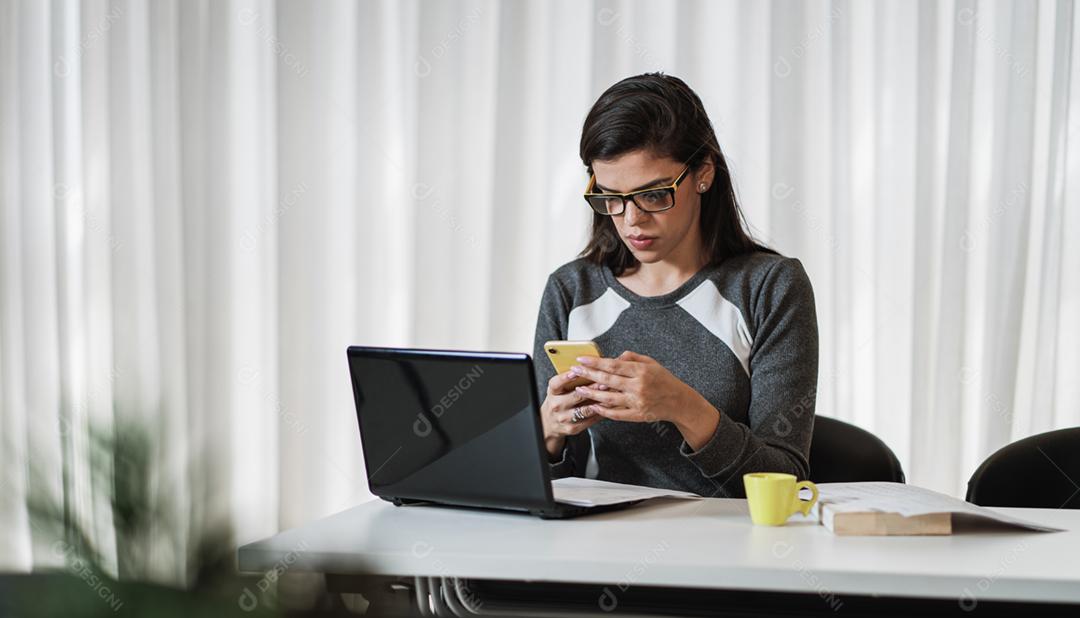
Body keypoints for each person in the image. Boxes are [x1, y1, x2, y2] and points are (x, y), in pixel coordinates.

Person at [532, 72, 818, 497]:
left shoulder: (768, 287)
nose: (631, 221)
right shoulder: (572, 289)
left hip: (728, 550)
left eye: (653, 195)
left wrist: (682, 407)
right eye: (610, 196)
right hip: (590, 550)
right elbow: (540, 488)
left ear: (703, 174)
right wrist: (548, 433)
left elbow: (786, 482)